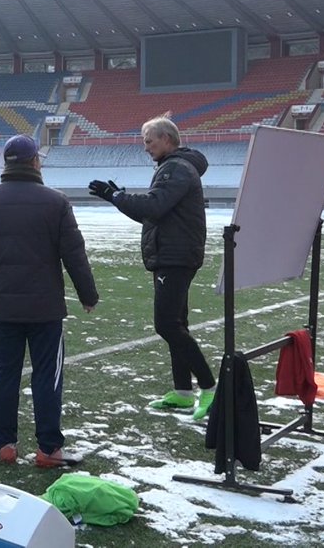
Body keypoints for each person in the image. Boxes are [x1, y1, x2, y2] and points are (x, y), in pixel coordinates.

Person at [0, 134, 98, 468]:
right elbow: (73, 254)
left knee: (5, 374)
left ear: (7, 163)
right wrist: (87, 295)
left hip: (4, 305)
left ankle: (5, 443)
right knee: (47, 376)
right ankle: (49, 449)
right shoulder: (56, 201)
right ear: (35, 162)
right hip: (45, 308)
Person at [89, 116, 216, 420]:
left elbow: (153, 206)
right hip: (174, 254)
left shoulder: (175, 168)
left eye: (149, 141)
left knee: (167, 325)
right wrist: (120, 199)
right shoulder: (175, 167)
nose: (145, 147)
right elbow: (153, 214)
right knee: (177, 324)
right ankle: (184, 393)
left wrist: (116, 196)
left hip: (175, 257)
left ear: (167, 139)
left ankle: (210, 388)